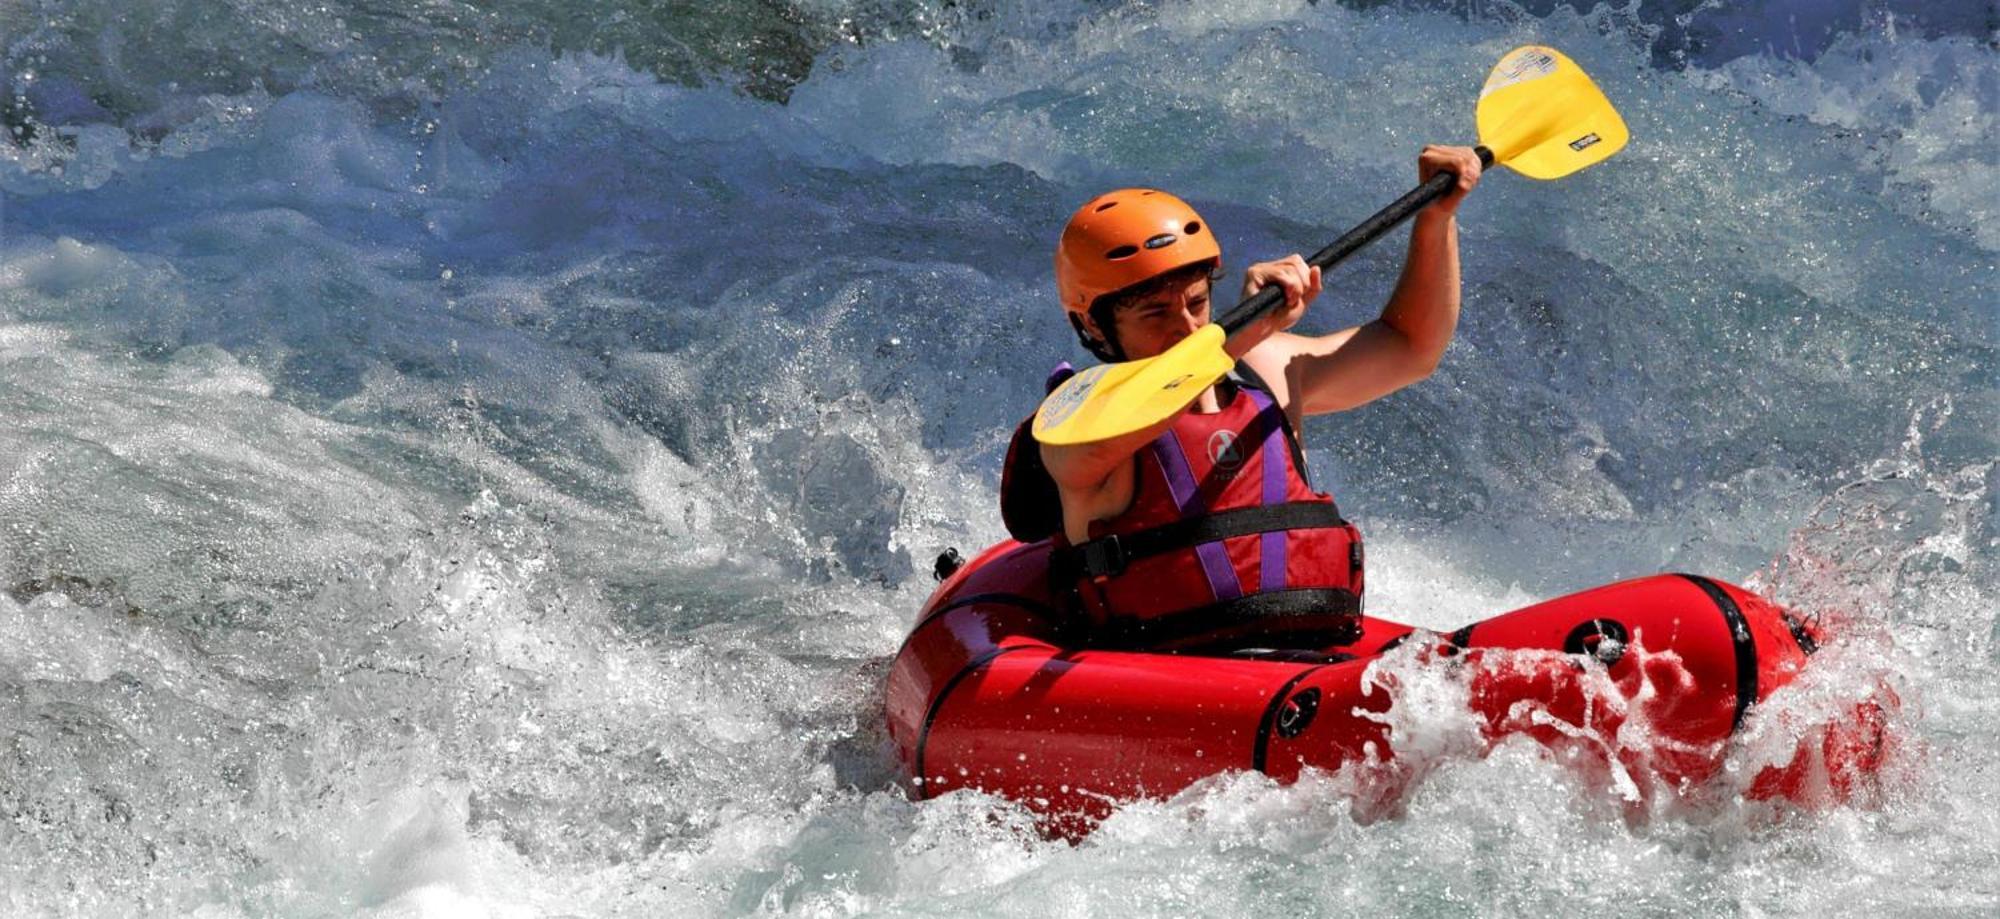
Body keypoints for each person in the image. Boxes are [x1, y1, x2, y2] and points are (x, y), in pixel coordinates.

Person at [1000, 146, 1485, 654]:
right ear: (1094, 326)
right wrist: (1241, 336)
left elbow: (1409, 349)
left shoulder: (1264, 369)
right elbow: (1147, 404)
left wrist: (1436, 220)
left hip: (1309, 662)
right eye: (1154, 314)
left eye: (1196, 303)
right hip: (1170, 681)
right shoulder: (1078, 423)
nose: (1186, 328)